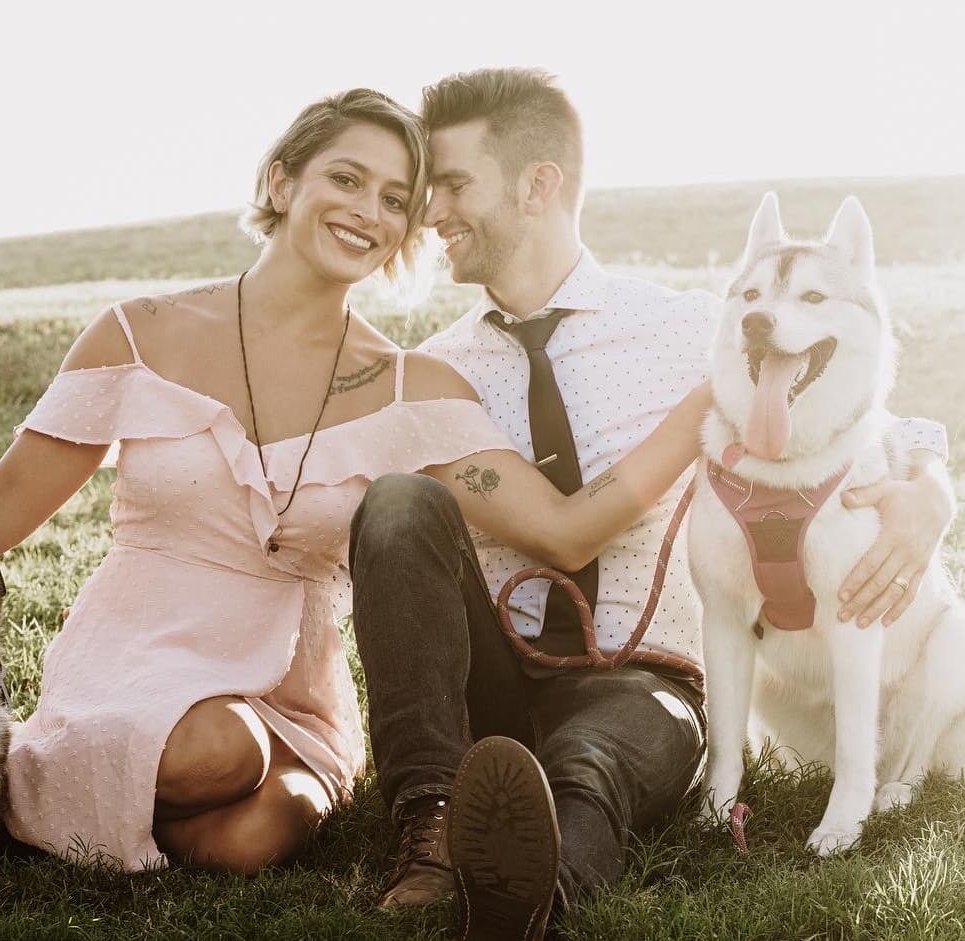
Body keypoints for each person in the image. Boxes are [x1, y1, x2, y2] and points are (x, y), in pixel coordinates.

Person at [0, 87, 715, 875]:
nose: (371, 210)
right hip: (139, 649)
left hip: (283, 687)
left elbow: (562, 528)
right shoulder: (139, 333)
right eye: (347, 179)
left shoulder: (411, 386)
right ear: (282, 182)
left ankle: (88, 809)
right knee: (218, 750)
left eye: (396, 198)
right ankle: (46, 772)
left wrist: (713, 398)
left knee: (250, 838)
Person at [351, 67, 955, 940]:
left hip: (645, 680)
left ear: (538, 183)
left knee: (592, 763)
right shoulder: (441, 365)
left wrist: (929, 489)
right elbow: (536, 534)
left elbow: (863, 414)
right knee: (399, 504)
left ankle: (527, 898)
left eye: (451, 182)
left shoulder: (687, 328)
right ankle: (434, 820)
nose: (428, 209)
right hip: (493, 664)